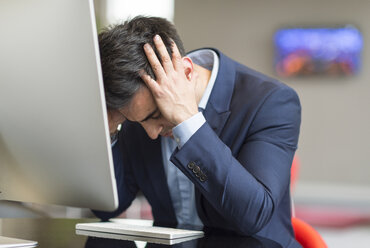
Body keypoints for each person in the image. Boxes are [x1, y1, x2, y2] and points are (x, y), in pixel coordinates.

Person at [93, 16, 301, 248]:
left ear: (188, 72)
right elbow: (109, 207)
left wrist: (188, 122)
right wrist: (109, 130)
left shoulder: (271, 102)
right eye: (138, 122)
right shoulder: (138, 106)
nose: (151, 133)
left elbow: (252, 216)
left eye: (155, 116)